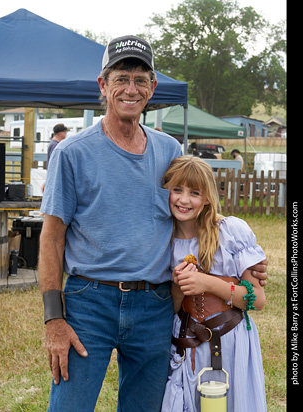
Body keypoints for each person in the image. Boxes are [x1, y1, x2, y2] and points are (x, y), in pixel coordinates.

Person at [38, 35, 268, 412]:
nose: (131, 88)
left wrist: (243, 247)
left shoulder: (169, 150)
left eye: (141, 79)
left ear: (152, 88)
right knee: (69, 405)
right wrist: (53, 319)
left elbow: (192, 206)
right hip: (88, 302)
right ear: (103, 85)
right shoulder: (72, 152)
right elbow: (52, 238)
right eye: (122, 78)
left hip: (155, 304)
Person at [161, 155, 267, 412]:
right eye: (177, 190)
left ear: (207, 197)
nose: (184, 200)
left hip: (230, 341)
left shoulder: (230, 232)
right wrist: (178, 286)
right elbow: (172, 308)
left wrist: (206, 283)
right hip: (187, 344)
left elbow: (257, 300)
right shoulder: (164, 239)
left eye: (194, 193)